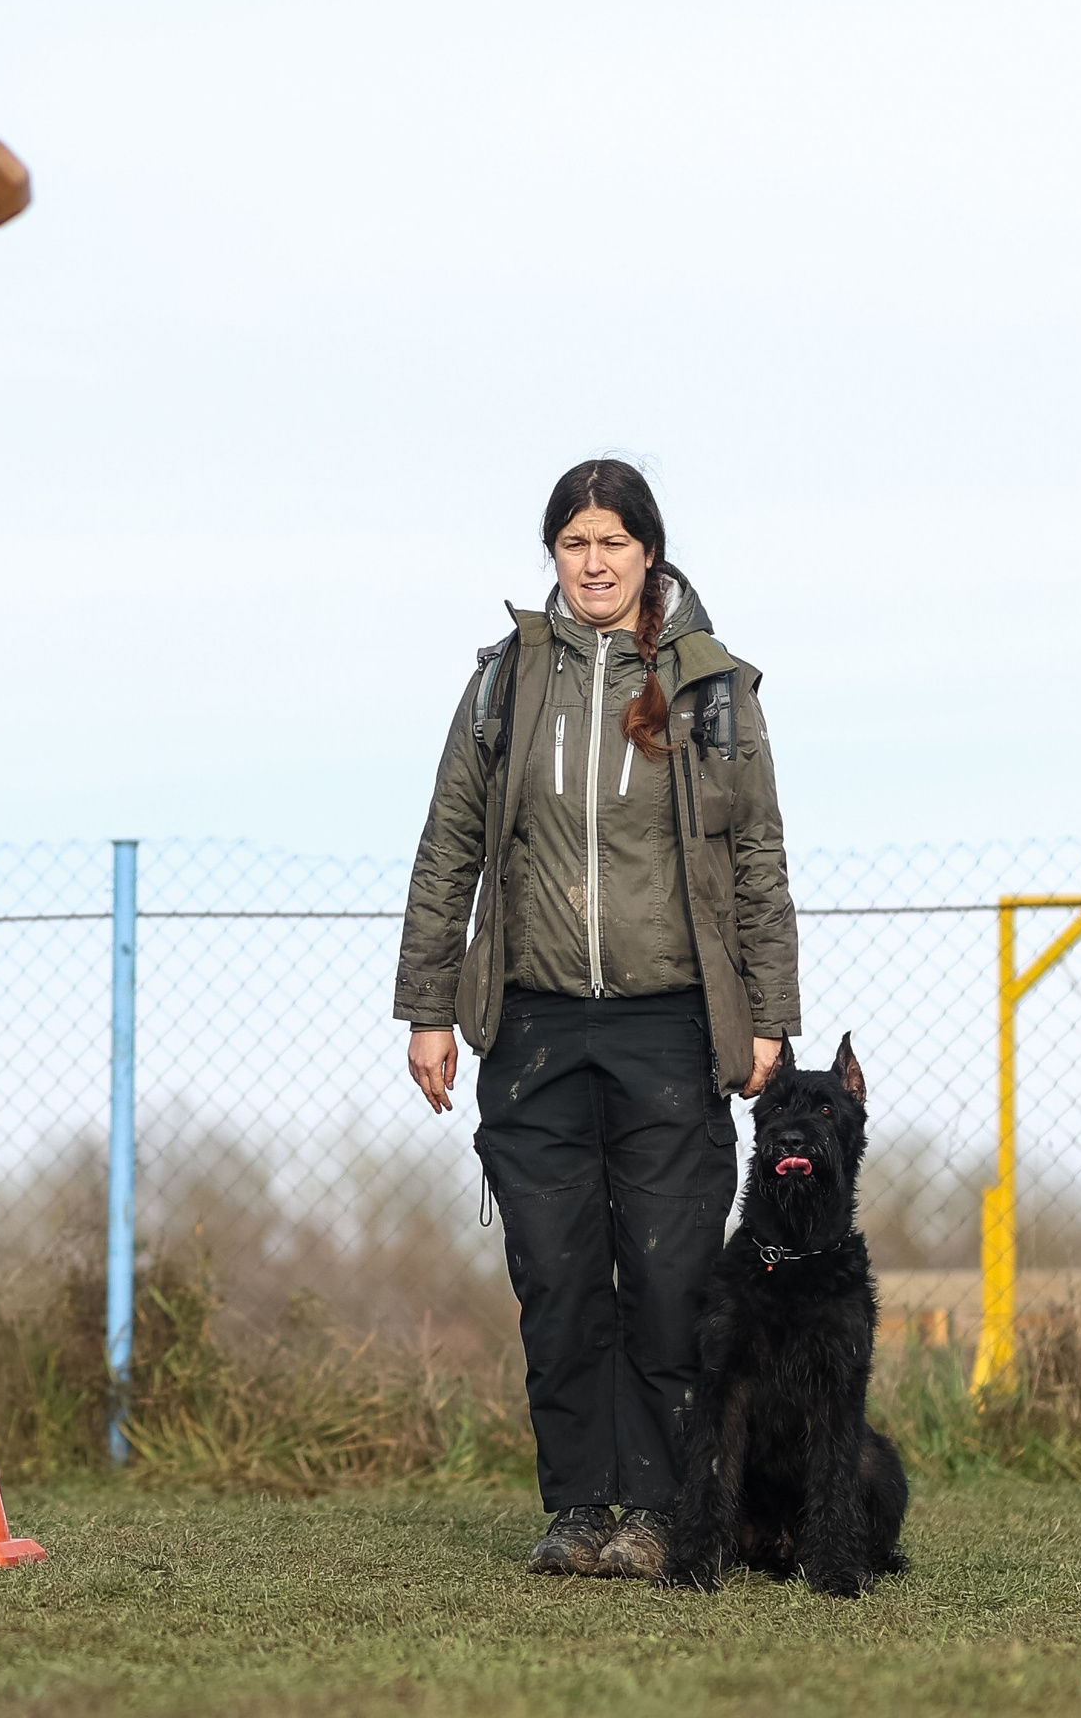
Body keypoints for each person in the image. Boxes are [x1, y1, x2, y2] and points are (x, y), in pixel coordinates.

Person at [393, 459, 798, 1581]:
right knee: (558, 1281)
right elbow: (448, 850)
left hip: (669, 1026)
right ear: (554, 557)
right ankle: (581, 1506)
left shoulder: (710, 685)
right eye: (573, 542)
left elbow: (755, 854)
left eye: (613, 541)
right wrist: (429, 1007)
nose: (594, 562)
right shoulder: (502, 684)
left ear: (649, 553)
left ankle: (667, 1511)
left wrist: (768, 1013)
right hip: (532, 1029)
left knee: (668, 1284)